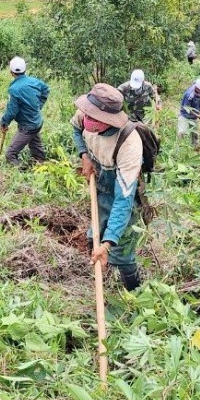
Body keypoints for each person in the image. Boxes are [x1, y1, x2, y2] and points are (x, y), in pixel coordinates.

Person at [72, 83, 145, 291]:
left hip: (121, 189)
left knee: (121, 249)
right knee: (94, 233)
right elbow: (77, 129)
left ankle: (134, 291)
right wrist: (84, 156)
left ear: (108, 120)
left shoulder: (129, 145)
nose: (87, 119)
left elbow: (123, 200)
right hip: (101, 183)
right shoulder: (86, 114)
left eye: (94, 118)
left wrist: (108, 243)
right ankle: (99, 271)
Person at [0, 57, 50, 166]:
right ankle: (42, 165)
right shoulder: (34, 82)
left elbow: (12, 111)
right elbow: (46, 89)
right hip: (37, 122)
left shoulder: (14, 89)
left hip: (27, 127)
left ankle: (22, 172)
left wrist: (4, 122)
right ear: (25, 69)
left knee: (10, 155)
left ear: (11, 72)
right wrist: (39, 105)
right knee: (36, 148)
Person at [178, 78, 200, 148]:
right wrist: (199, 116)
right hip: (184, 115)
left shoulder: (199, 89)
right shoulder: (189, 95)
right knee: (182, 132)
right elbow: (187, 109)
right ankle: (179, 148)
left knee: (195, 134)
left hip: (194, 116)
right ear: (197, 88)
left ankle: (195, 148)